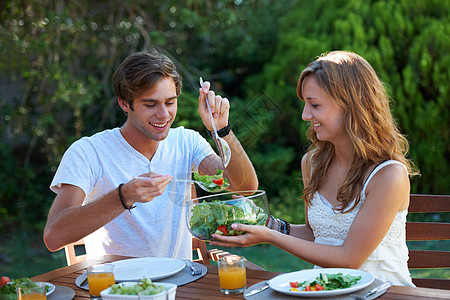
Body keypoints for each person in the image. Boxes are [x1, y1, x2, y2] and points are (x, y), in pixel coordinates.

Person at [210, 51, 419, 286]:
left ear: (351, 106)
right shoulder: (313, 163)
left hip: (384, 292)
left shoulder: (388, 175)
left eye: (315, 105)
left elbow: (350, 259)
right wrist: (267, 224)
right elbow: (319, 234)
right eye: (305, 104)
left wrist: (269, 237)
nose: (305, 115)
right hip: (325, 290)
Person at [43, 49, 258, 260]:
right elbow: (53, 236)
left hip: (180, 284)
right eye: (150, 104)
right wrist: (124, 196)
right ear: (124, 103)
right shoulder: (89, 152)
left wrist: (221, 130)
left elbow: (245, 187)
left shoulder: (187, 142)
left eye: (170, 102)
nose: (164, 114)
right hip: (116, 288)